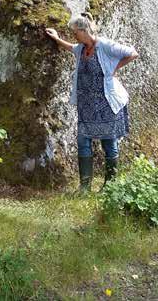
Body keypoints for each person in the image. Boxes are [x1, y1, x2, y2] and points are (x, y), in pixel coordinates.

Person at [45, 12, 138, 193]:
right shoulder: (80, 48)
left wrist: (113, 68)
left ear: (84, 30)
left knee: (109, 144)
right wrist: (56, 39)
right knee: (83, 141)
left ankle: (109, 187)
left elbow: (132, 53)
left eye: (75, 32)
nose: (74, 36)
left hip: (107, 105)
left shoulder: (104, 45)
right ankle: (85, 187)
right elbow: (71, 47)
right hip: (86, 105)